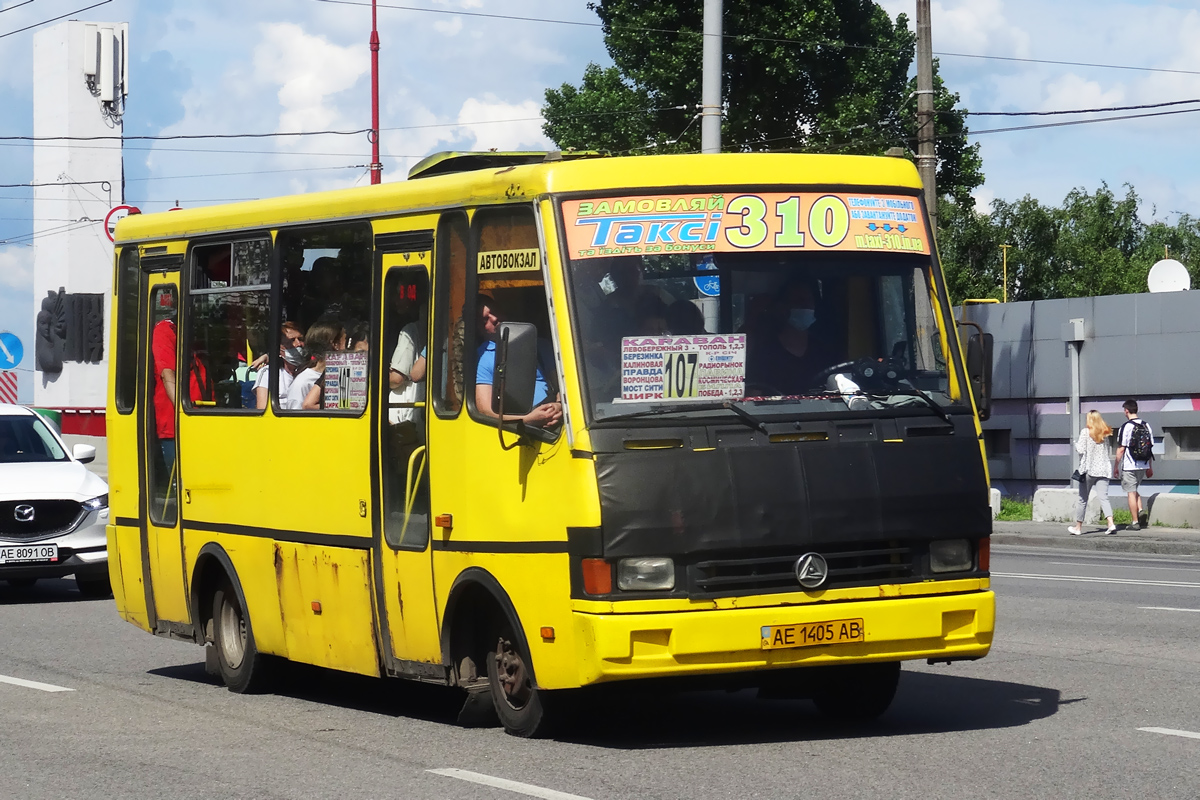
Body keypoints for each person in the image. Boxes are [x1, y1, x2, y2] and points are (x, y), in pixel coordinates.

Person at [474, 294, 562, 428]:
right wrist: (527, 420)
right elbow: (485, 410)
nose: (495, 319)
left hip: (557, 418)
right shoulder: (483, 358)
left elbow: (562, 385)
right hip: (521, 429)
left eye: (495, 311)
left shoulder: (540, 345)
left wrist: (559, 405)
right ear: (480, 329)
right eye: (486, 319)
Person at [745, 279, 830, 395]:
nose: (805, 306)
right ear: (782, 308)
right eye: (798, 301)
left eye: (809, 302)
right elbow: (753, 395)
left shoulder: (824, 351)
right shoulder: (765, 352)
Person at [1068, 410, 1116, 535]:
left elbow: (1081, 450)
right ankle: (1110, 523)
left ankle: (1078, 527)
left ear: (1090, 420)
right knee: (1104, 498)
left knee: (1082, 499)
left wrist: (1074, 443)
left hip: (1089, 470)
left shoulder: (1085, 432)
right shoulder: (1104, 433)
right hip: (1104, 470)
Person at [285, 319, 345, 411]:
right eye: (346, 341)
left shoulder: (338, 374)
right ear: (335, 345)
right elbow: (294, 418)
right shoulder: (303, 382)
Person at [1114, 398, 1154, 530]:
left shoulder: (1125, 427)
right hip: (1143, 465)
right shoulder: (1146, 425)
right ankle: (1141, 510)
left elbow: (1121, 449)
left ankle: (1135, 522)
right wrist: (1150, 467)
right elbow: (1149, 448)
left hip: (1130, 465)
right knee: (1134, 489)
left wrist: (1116, 466)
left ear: (1126, 411)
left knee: (1130, 492)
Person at [254, 321, 304, 410]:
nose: (298, 344)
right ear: (279, 347)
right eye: (292, 340)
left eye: (300, 339)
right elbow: (262, 408)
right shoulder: (268, 373)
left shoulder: (309, 370)